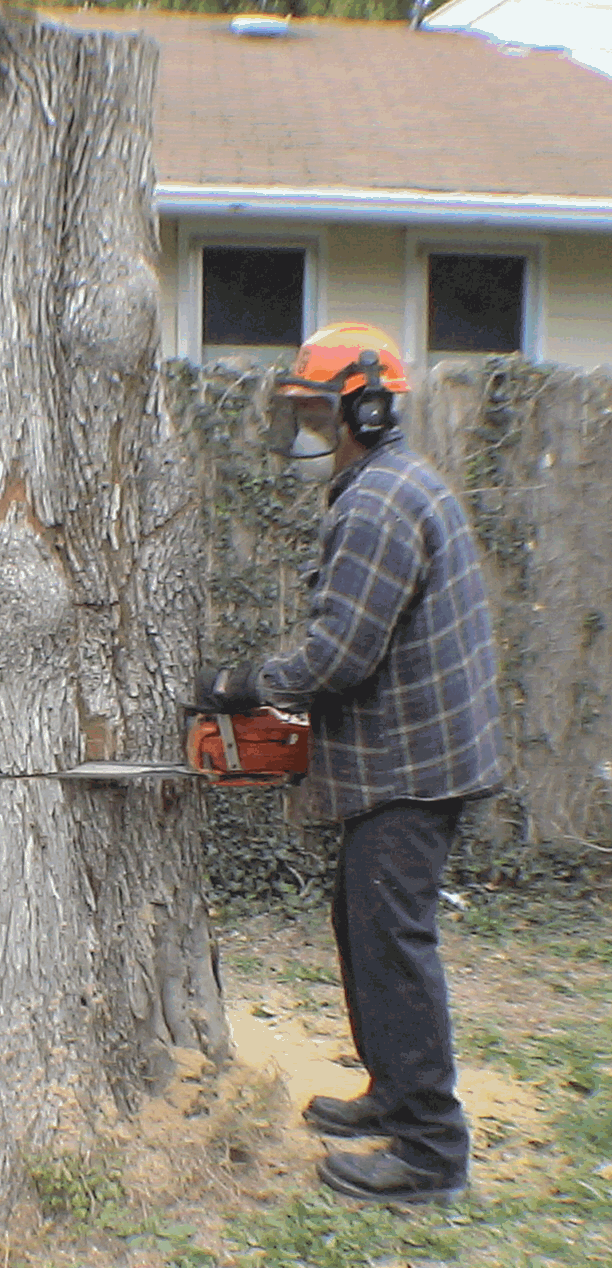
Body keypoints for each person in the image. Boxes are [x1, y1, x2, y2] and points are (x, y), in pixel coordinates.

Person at [197, 321, 504, 1204]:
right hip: (406, 756)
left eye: (315, 410)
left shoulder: (375, 503)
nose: (307, 428)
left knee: (393, 948)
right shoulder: (389, 486)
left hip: (412, 764)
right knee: (361, 931)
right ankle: (393, 1095)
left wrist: (241, 685)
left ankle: (431, 1153)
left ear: (363, 407)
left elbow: (340, 656)